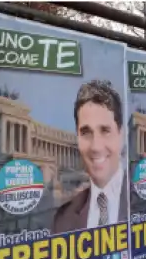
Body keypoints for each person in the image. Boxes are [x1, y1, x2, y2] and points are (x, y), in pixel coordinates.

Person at [52, 80, 128, 234]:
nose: (96, 146)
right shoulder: (62, 220)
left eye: (105, 130)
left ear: (121, 134)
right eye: (86, 133)